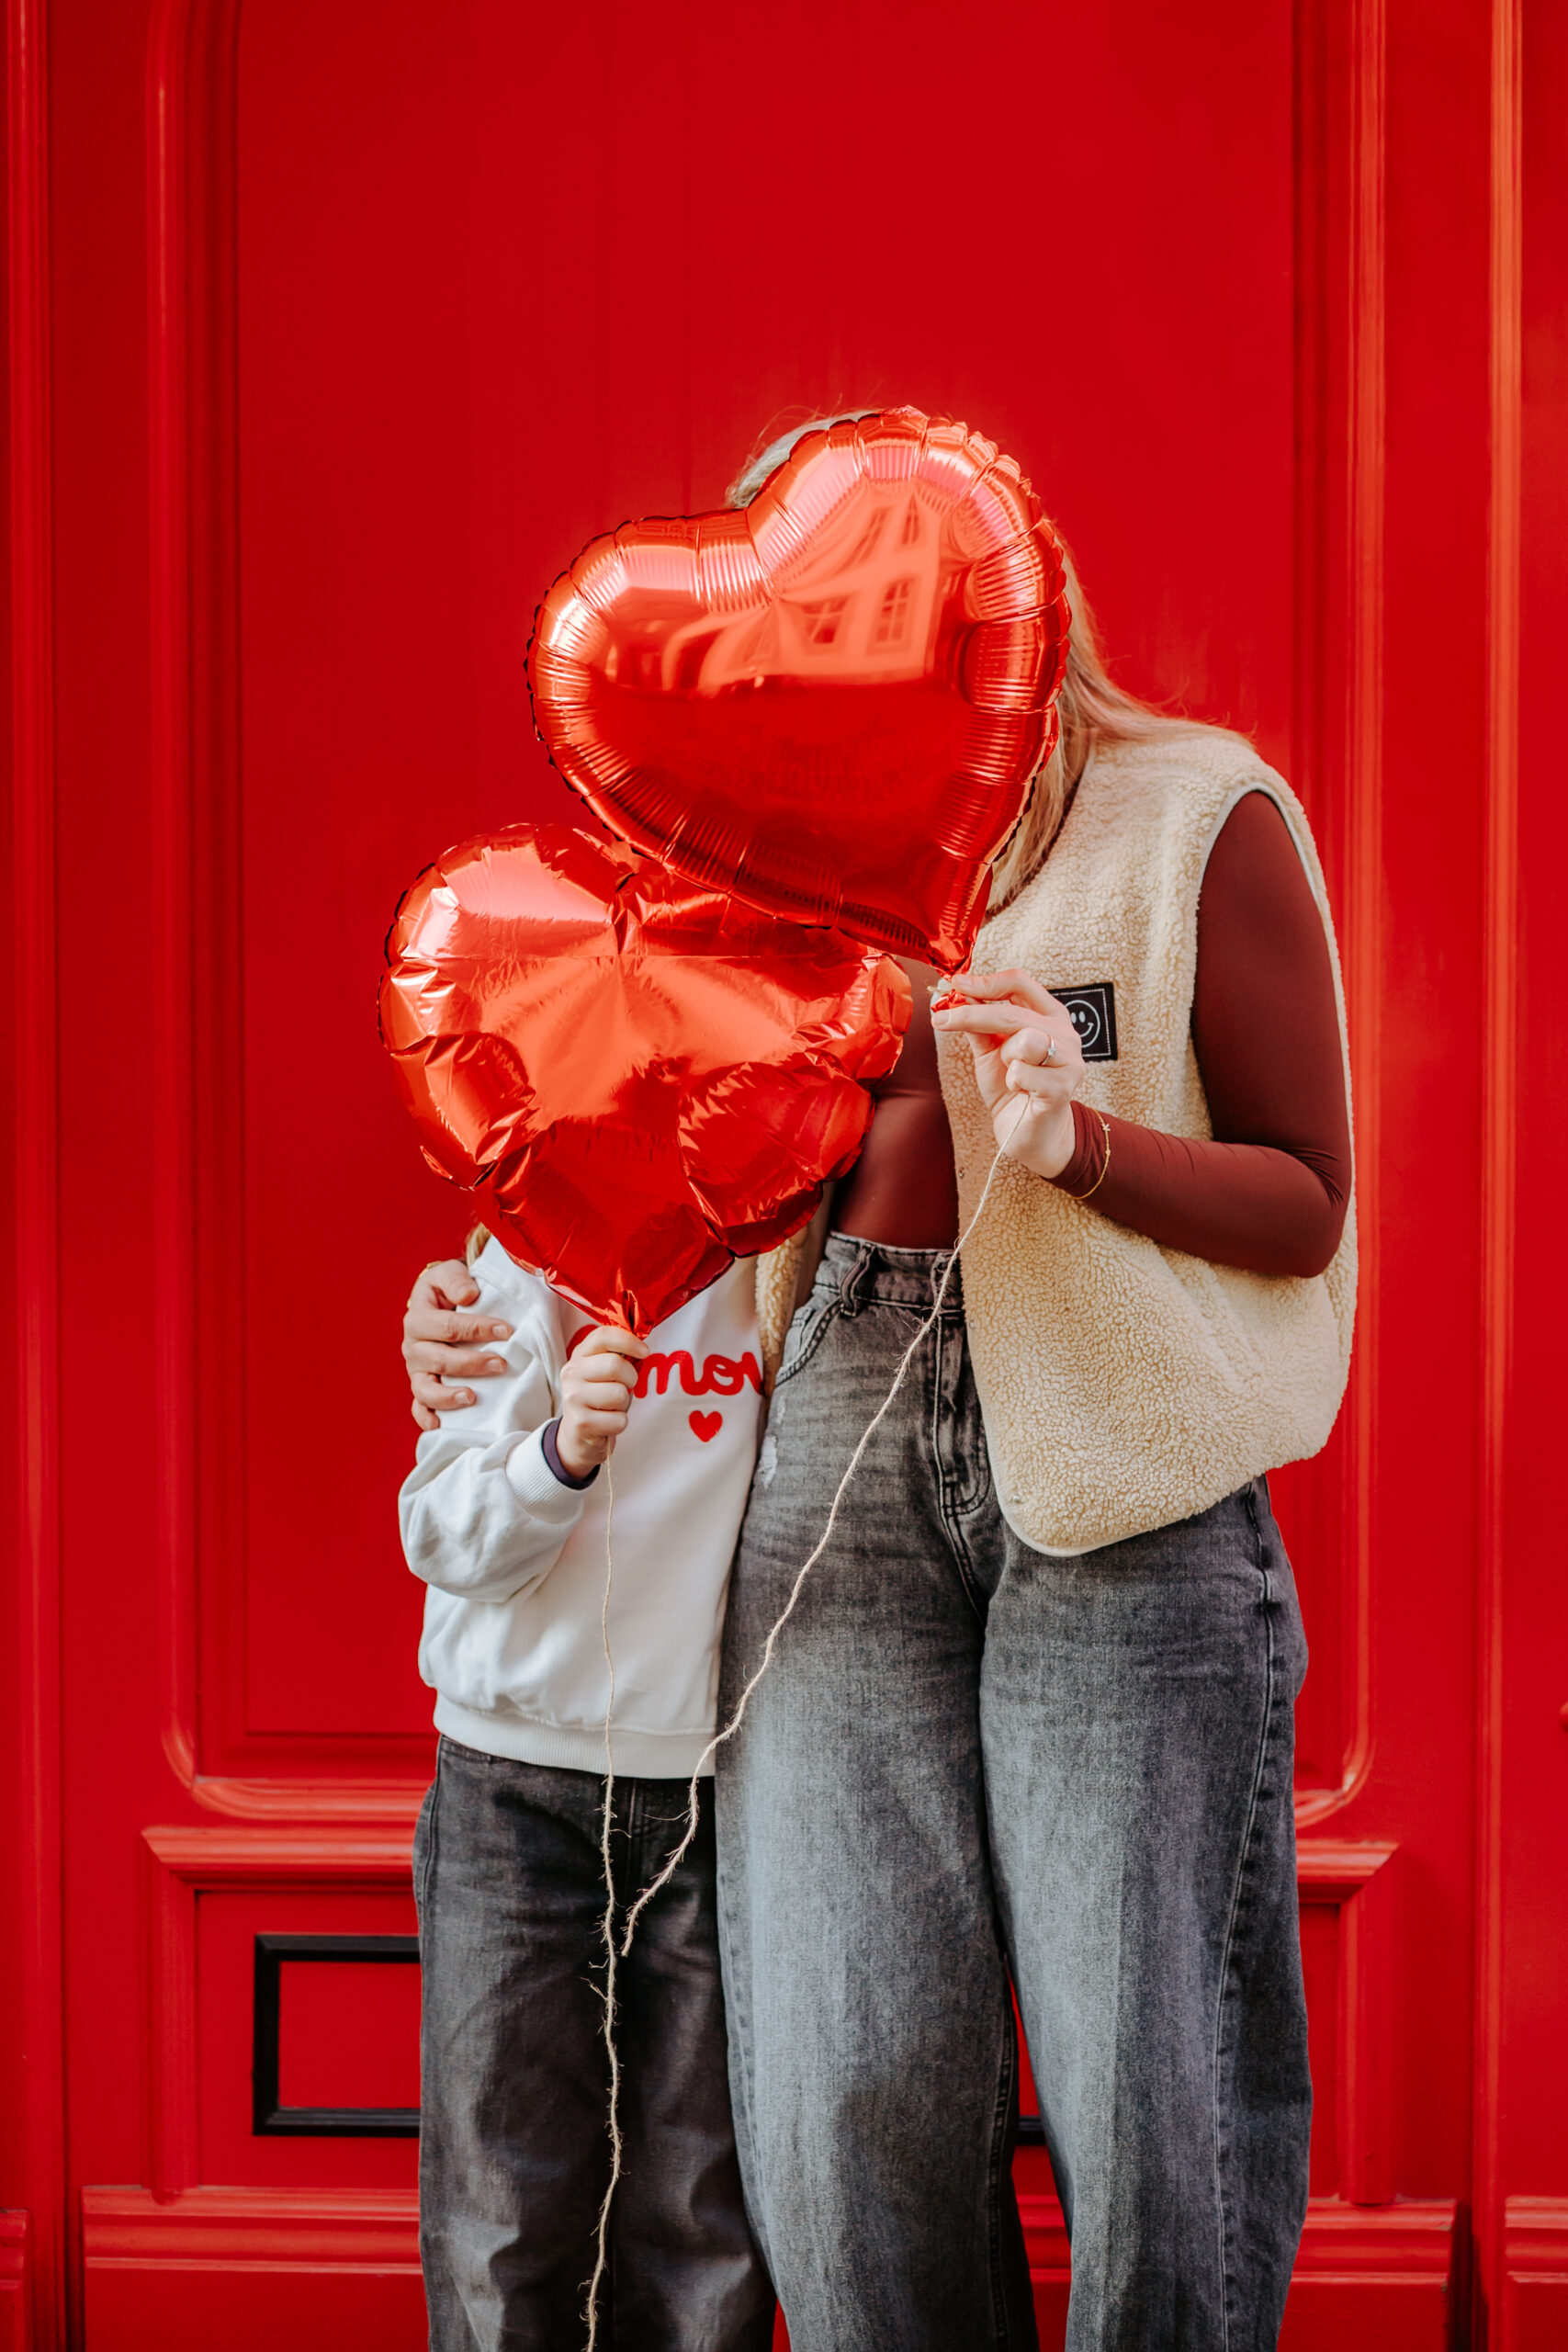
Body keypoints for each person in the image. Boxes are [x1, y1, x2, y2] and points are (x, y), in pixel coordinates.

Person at [402, 416, 1355, 2352]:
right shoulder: (759, 854)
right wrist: (480, 1315)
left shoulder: (1190, 813)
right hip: (831, 1413)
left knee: (1139, 2080)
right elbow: (649, 1158)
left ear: (1001, 603)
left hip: (1115, 1472)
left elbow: (1308, 1198)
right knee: (840, 2080)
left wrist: (1086, 1145)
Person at [400, 1230, 776, 2350]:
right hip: (514, 1792)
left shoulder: (788, 1261)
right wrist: (557, 1453)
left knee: (703, 2220)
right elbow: (439, 1527)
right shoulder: (518, 1264)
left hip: (717, 1798)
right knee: (503, 2216)